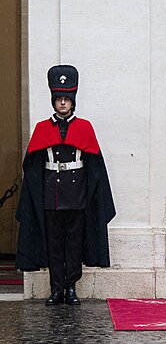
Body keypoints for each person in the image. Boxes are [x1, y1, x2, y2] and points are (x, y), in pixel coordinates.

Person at [15, 64, 116, 306]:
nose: (62, 103)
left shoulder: (84, 127)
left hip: (77, 194)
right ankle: (56, 288)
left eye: (66, 99)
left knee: (74, 243)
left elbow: (95, 167)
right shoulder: (42, 128)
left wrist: (92, 195)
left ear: (73, 101)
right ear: (53, 100)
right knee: (54, 244)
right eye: (59, 99)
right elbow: (33, 166)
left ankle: (71, 287)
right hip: (51, 195)